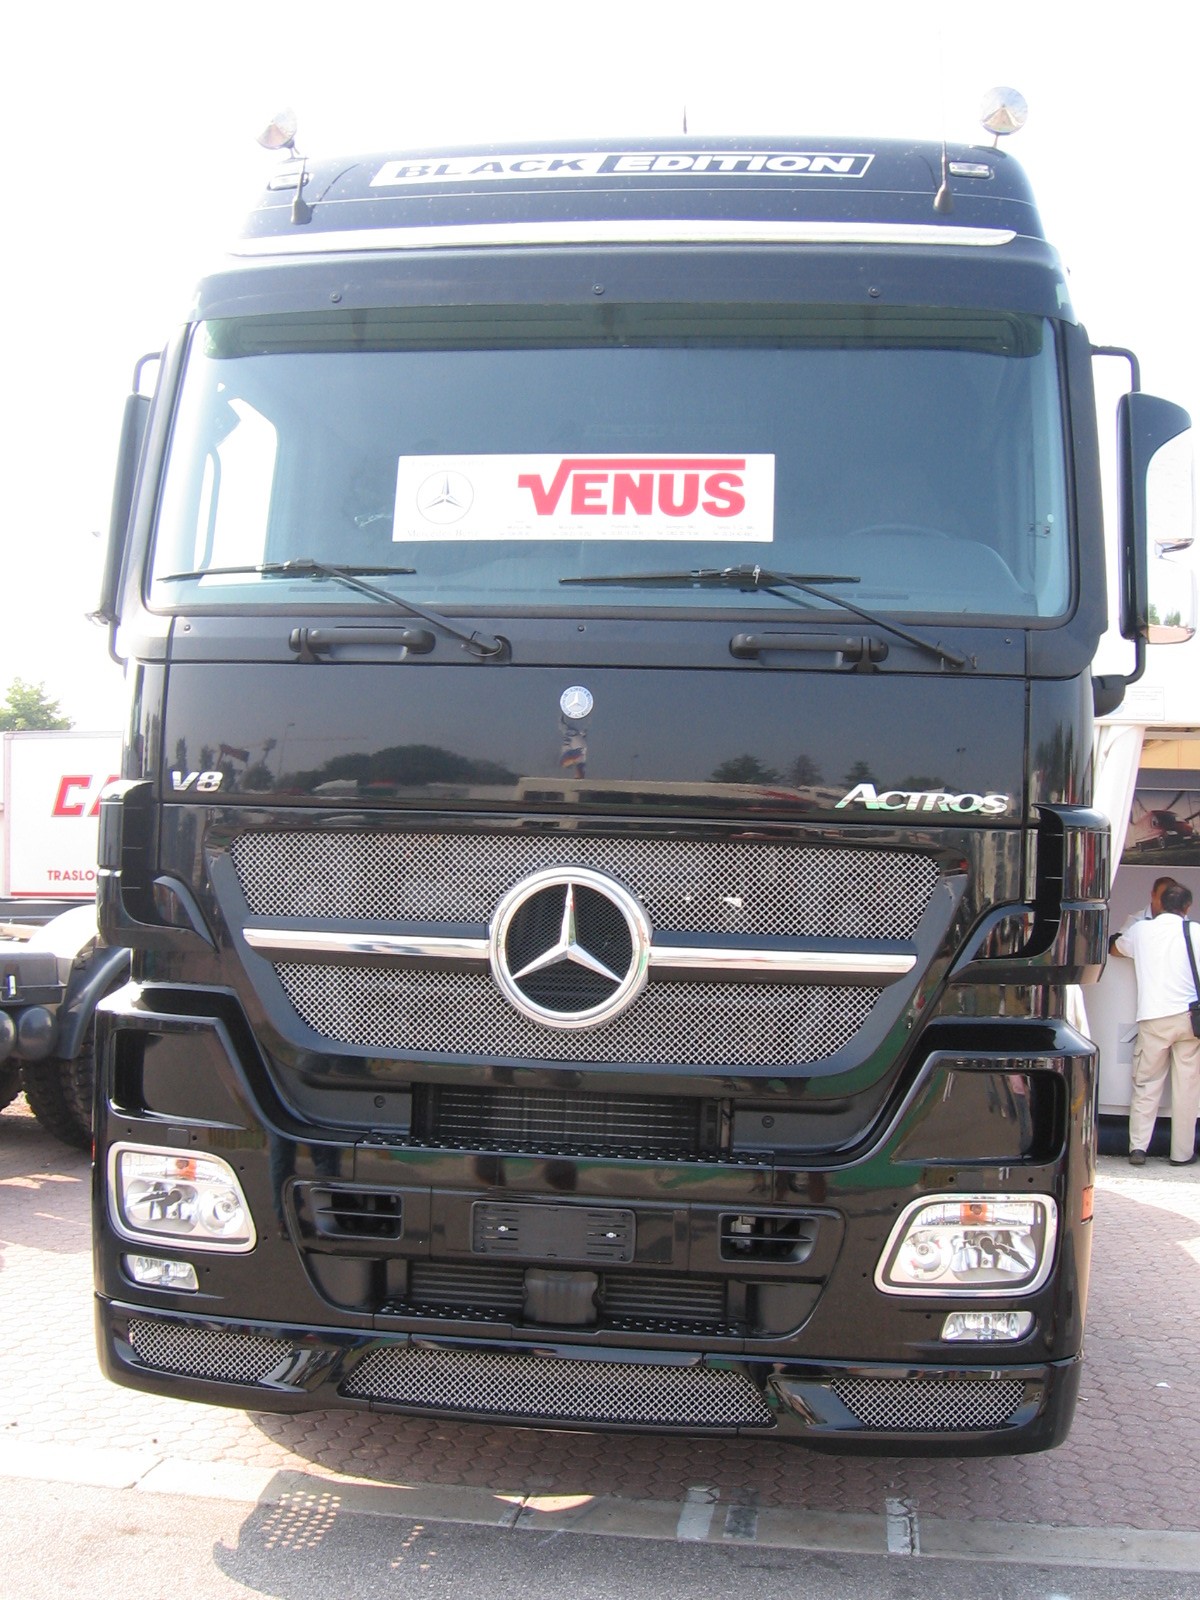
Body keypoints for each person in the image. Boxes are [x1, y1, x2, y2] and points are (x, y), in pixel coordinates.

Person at [1109, 881, 1200, 1166]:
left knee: (1146, 1083)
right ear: (1187, 907)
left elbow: (1115, 949)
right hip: (1189, 1020)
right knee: (1187, 1089)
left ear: (1159, 904)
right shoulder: (1196, 932)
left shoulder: (1141, 931)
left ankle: (1138, 1147)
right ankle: (1181, 1154)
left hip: (1153, 1017)